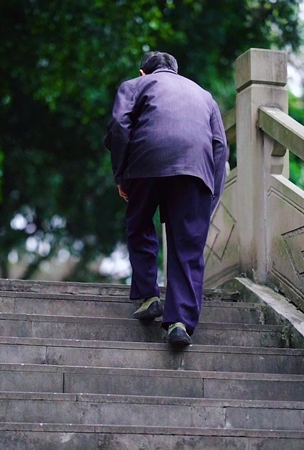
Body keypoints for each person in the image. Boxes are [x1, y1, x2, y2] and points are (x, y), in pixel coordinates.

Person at [104, 51, 228, 347]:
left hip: (146, 163)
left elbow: (120, 126)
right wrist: (211, 195)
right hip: (195, 170)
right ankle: (179, 322)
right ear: (176, 72)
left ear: (143, 72)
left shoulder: (134, 85)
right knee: (188, 246)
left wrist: (121, 175)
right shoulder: (204, 96)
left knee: (140, 224)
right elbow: (220, 146)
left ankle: (149, 296)